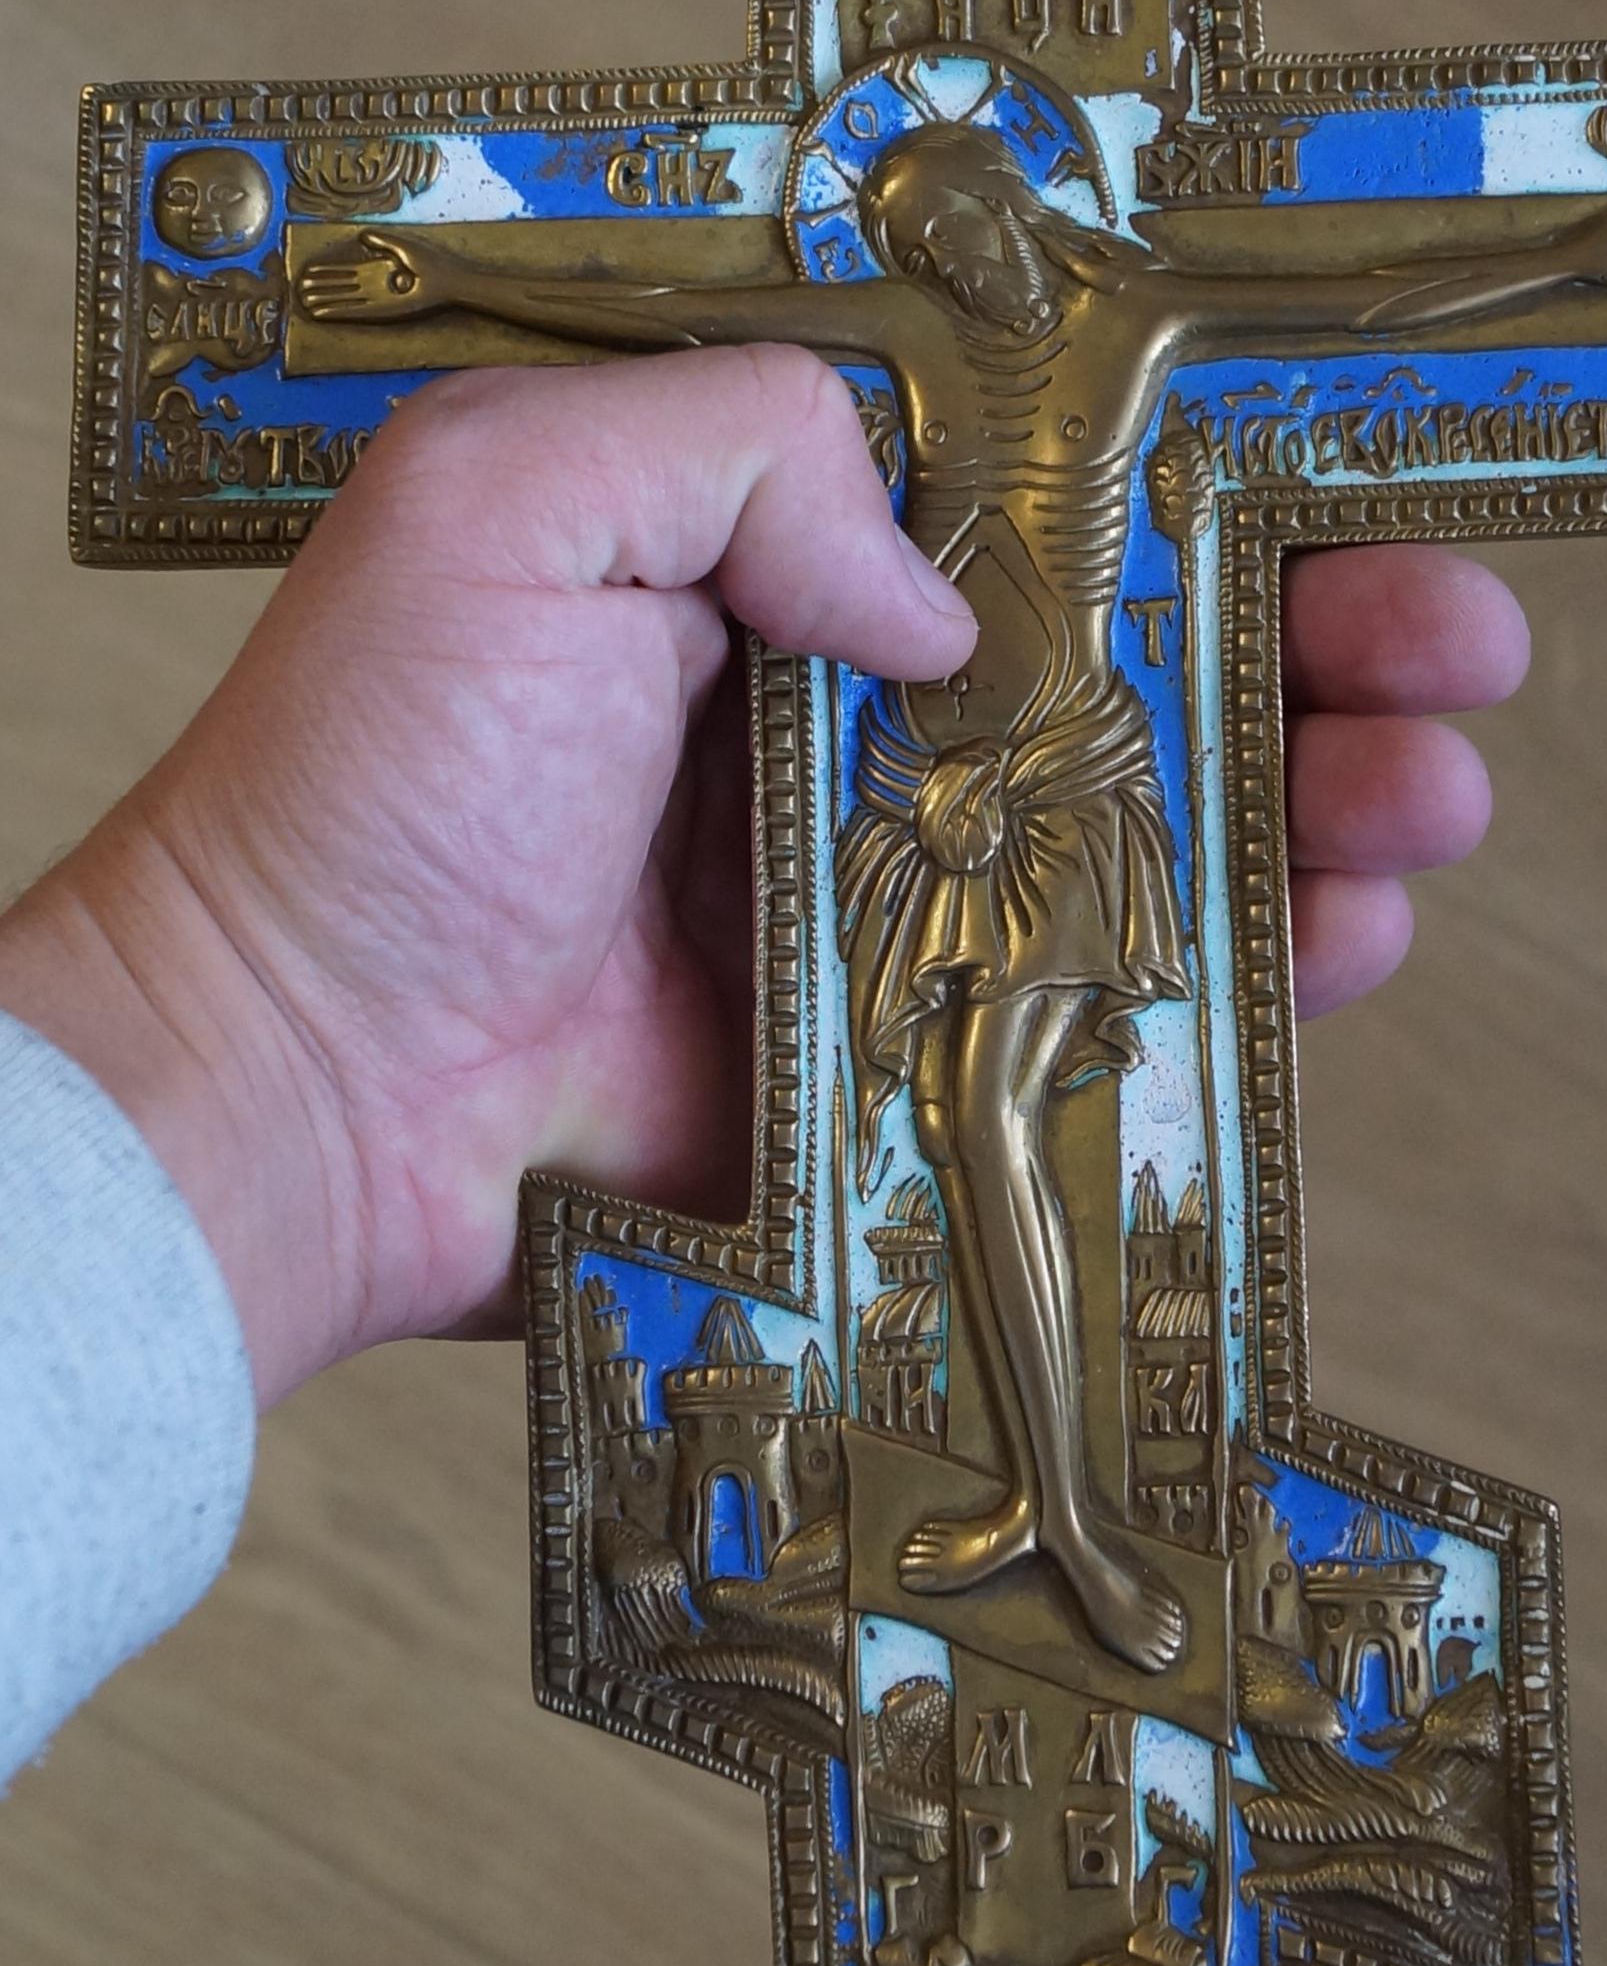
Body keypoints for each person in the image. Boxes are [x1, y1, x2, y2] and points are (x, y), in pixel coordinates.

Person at [0, 341, 1528, 1779]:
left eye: (949, 226)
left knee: (990, 1118)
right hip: (925, 800)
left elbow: (1343, 292)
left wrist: (268, 1028)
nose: (933, 248)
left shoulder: (1106, 344)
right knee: (958, 1124)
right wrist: (269, 1018)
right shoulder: (871, 340)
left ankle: (1069, 1514)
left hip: (1064, 793)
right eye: (914, 228)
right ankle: (1046, 1505)